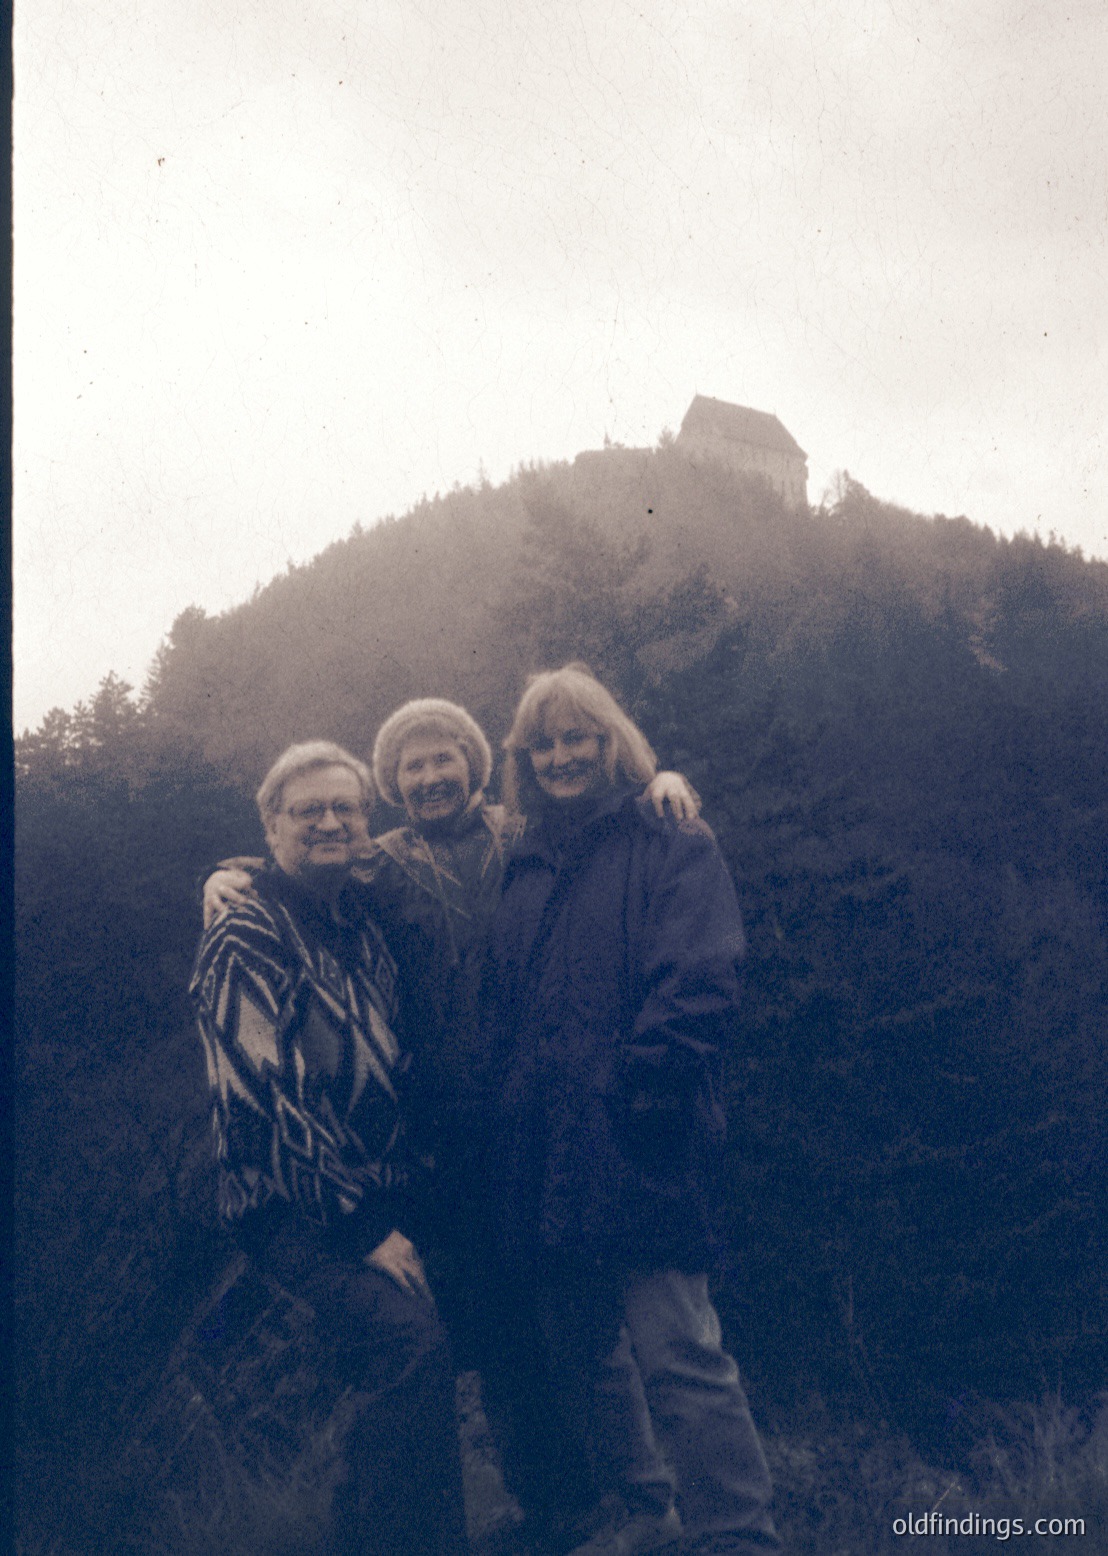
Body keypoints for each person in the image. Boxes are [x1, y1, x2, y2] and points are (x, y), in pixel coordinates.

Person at [476, 666, 780, 1555]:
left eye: (578, 737)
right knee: (584, 1353)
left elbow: (701, 979)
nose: (562, 756)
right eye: (543, 744)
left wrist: (642, 1102)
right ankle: (647, 1511)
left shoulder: (670, 835)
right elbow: (504, 1011)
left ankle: (738, 1534)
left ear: (612, 740)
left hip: (642, 1141)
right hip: (543, 1153)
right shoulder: (523, 862)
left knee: (680, 1353)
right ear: (525, 760)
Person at [190, 741, 467, 1556]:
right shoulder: (243, 932)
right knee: (409, 1347)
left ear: (367, 823)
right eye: (307, 810)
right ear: (270, 827)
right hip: (294, 1205)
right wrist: (361, 1226)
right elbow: (264, 1103)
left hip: (379, 1184)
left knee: (466, 1323)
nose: (329, 822)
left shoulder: (358, 920)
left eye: (345, 807)